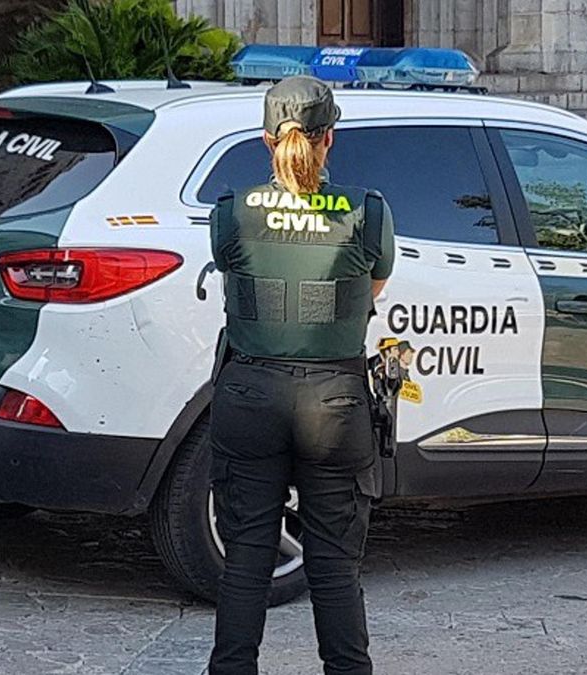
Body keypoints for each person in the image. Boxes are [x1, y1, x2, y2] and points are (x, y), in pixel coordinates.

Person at [208, 76, 395, 675]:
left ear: (267, 140)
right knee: (335, 565)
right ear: (329, 139)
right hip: (334, 403)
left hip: (249, 394)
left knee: (246, 560)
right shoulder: (367, 211)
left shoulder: (232, 212)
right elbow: (369, 294)